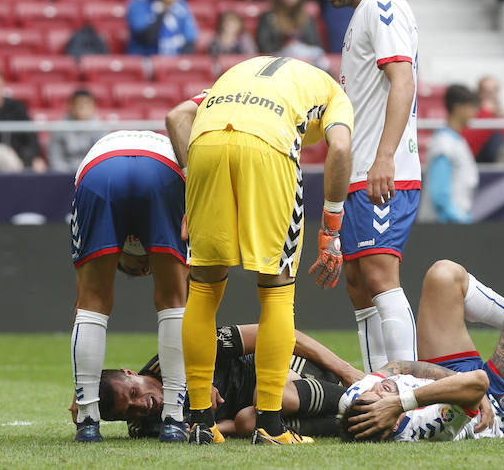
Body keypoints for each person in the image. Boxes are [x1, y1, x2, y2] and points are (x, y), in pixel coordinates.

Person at [167, 56, 354, 446]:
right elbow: (339, 149)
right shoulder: (337, 94)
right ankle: (270, 423)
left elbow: (178, 116)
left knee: (203, 289)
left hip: (206, 144)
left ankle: (201, 423)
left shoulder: (245, 76)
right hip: (268, 150)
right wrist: (331, 227)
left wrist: (193, 183)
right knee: (276, 290)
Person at [306, 0, 422, 375]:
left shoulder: (384, 8)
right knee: (357, 284)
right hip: (360, 174)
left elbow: (403, 80)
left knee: (377, 275)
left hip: (385, 171)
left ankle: (406, 393)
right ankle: (377, 388)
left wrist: (385, 156)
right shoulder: (360, 16)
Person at [339, 259, 504, 442]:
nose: (379, 389)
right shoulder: (426, 426)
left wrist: (393, 396)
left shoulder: (355, 400)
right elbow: (477, 383)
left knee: (443, 274)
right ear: (390, 424)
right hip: (495, 404)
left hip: (457, 382)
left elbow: (398, 366)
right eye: (381, 400)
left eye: (373, 392)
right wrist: (402, 402)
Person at [68, 130, 191, 443]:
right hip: (164, 168)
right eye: (143, 268)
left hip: (100, 170)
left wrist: (80, 391)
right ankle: (175, 419)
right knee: (174, 301)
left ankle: (87, 419)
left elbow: (82, 302)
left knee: (92, 301)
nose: (147, 268)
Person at [86, 324, 365, 439]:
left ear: (131, 372)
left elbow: (280, 334)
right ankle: (359, 422)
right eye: (130, 410)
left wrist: (348, 372)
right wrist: (205, 421)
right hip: (257, 412)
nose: (143, 405)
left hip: (286, 371)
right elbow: (228, 427)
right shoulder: (147, 426)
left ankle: (362, 394)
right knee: (247, 421)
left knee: (271, 396)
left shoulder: (184, 352)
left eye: (134, 392)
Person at [420, 85, 480, 224]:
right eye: (471, 106)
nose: (474, 112)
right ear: (458, 107)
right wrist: (460, 220)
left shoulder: (456, 141)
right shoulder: (444, 144)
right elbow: (440, 194)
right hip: (442, 227)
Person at [127, 0, 198, 56]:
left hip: (174, 63)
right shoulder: (137, 5)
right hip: (146, 61)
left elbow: (190, 40)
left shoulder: (180, 4)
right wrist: (164, 9)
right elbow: (147, 38)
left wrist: (180, 64)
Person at [461, 76, 504, 163]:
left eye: (493, 91)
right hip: (478, 161)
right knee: (496, 137)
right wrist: (486, 113)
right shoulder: (469, 117)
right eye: (486, 91)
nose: (490, 95)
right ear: (479, 93)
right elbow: (468, 145)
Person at [256, 0, 323, 54]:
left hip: (305, 61)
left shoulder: (307, 17)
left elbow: (316, 45)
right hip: (278, 60)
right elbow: (264, 47)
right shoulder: (268, 17)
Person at [47, 89, 104, 173]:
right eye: (78, 105)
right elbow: (55, 158)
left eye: (86, 105)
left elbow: (101, 158)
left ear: (93, 107)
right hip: (64, 175)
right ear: (71, 106)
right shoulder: (59, 128)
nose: (82, 109)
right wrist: (67, 175)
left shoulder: (100, 128)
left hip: (90, 174)